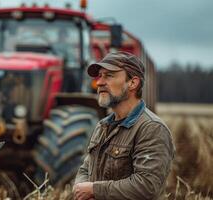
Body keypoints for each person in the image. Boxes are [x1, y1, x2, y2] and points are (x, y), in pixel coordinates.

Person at [73, 51, 175, 200]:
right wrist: (81, 188)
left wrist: (95, 190)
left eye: (109, 75)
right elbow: (85, 168)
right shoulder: (103, 126)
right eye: (99, 76)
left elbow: (147, 186)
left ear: (133, 83)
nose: (99, 82)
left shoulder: (152, 128)